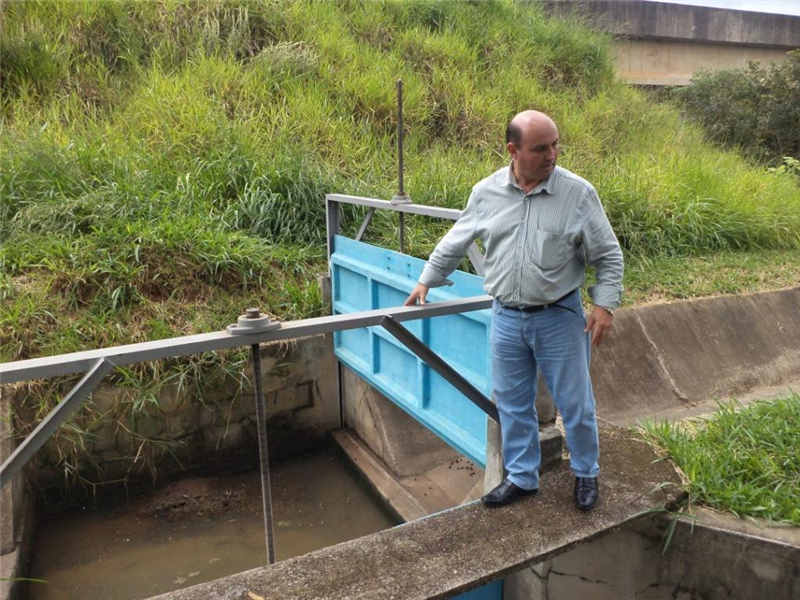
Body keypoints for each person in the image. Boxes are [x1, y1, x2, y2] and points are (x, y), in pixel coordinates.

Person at [404, 110, 623, 511]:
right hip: (506, 316)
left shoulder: (577, 194)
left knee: (574, 403)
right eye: (541, 148)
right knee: (512, 402)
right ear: (513, 150)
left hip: (560, 316)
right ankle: (522, 477)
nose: (552, 154)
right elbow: (456, 239)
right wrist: (426, 279)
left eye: (556, 144)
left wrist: (604, 304)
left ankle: (587, 474)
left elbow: (607, 255)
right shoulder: (486, 193)